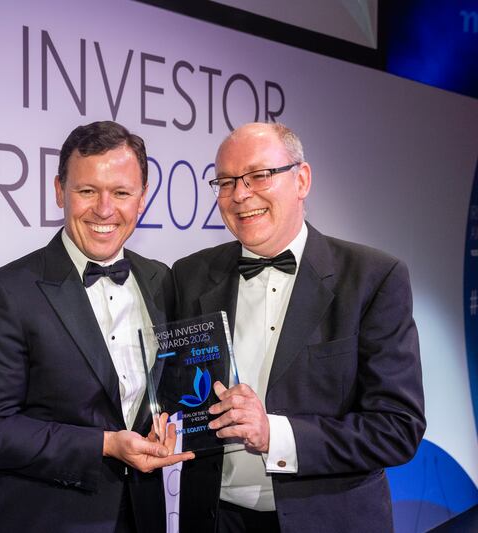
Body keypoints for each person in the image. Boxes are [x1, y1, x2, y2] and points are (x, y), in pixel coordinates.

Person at [174, 122, 425, 532]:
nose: (240, 194)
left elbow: (397, 428)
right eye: (226, 181)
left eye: (258, 176)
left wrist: (273, 434)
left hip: (328, 519)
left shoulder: (372, 277)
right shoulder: (190, 275)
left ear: (301, 179)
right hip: (214, 519)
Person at [0, 121, 194, 533]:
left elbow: (165, 388)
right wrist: (104, 444)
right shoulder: (7, 291)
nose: (104, 209)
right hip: (45, 518)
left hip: (143, 515)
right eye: (87, 191)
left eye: (121, 192)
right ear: (59, 190)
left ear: (143, 198)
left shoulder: (161, 280)